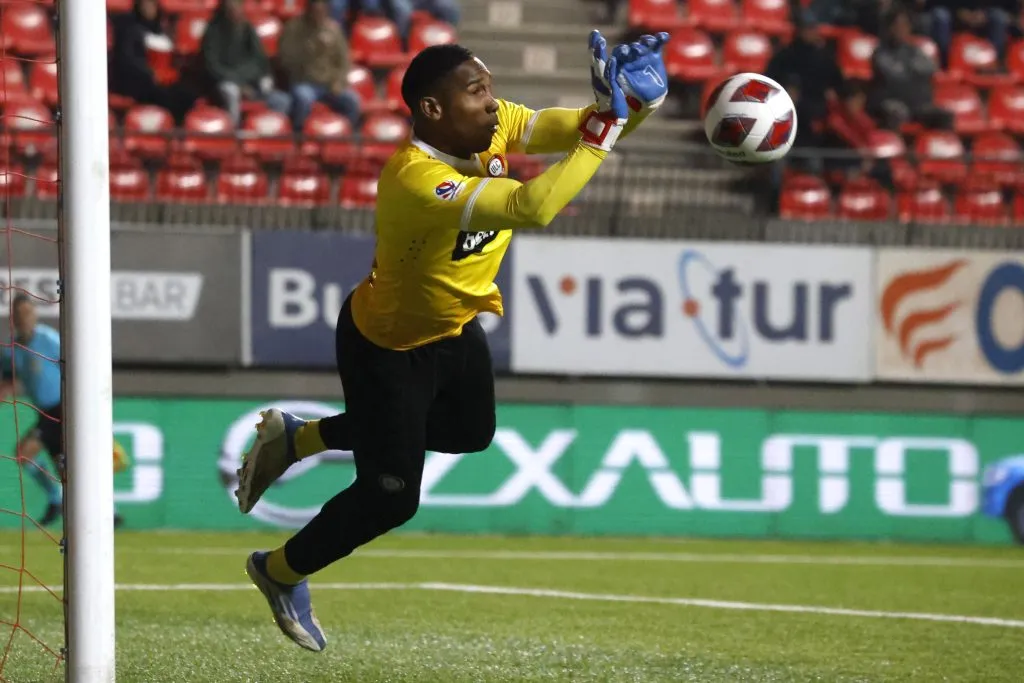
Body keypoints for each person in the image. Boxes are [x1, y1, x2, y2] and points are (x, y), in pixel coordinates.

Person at [233, 31, 672, 652]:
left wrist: (633, 105)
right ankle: (277, 571)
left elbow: (582, 126)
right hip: (385, 343)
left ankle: (302, 437)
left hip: (453, 328)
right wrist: (605, 131)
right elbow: (532, 206)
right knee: (390, 497)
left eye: (490, 88)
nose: (494, 104)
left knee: (471, 432)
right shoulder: (417, 179)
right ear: (433, 110)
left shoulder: (493, 129)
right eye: (476, 92)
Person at [0, 295, 127, 529]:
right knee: (44, 459)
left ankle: (75, 502)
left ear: (35, 315)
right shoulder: (10, 350)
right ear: (13, 318)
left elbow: (77, 365)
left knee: (62, 462)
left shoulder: (49, 340)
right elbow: (7, 377)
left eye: (28, 313)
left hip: (65, 408)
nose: (24, 319)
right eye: (19, 315)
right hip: (44, 412)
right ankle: (79, 503)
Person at [199, 0, 292, 126]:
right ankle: (233, 132)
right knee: (231, 92)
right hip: (224, 82)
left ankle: (273, 134)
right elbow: (213, 66)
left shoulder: (247, 28)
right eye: (231, 8)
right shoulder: (213, 32)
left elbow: (259, 61)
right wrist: (239, 83)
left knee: (282, 100)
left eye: (238, 7)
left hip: (251, 82)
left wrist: (248, 81)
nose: (235, 11)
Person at [277, 0, 362, 130]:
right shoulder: (294, 28)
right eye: (315, 11)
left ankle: (349, 138)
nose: (318, 14)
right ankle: (298, 136)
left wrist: (338, 82)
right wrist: (308, 48)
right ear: (308, 10)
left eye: (321, 11)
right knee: (303, 99)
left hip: (329, 84)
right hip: (304, 81)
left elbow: (344, 61)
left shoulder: (333, 30)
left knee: (352, 100)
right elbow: (286, 59)